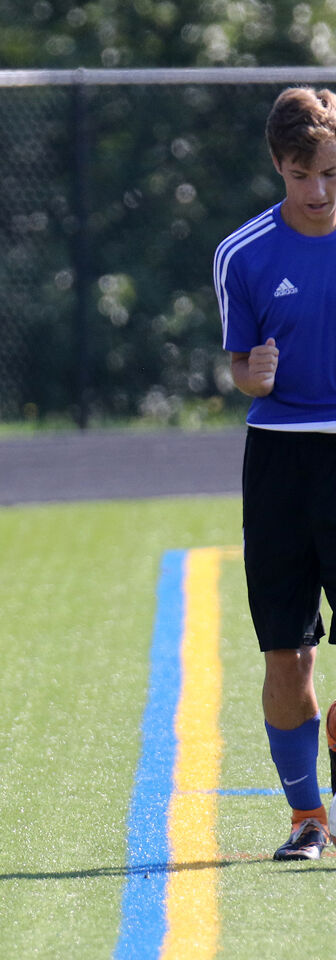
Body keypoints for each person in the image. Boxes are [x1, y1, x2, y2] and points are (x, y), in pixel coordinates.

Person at [216, 85, 336, 861]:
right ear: (277, 166)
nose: (319, 191)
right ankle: (307, 820)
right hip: (282, 463)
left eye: (330, 173)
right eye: (302, 176)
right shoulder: (243, 253)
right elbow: (239, 367)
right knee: (286, 659)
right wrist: (251, 376)